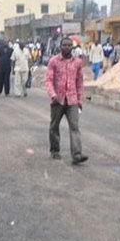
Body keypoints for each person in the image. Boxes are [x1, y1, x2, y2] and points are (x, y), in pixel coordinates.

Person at [45, 37, 89, 165]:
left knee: (74, 127)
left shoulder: (78, 63)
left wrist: (80, 100)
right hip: (57, 99)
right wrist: (52, 95)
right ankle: (54, 150)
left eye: (70, 45)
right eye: (65, 45)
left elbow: (79, 82)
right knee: (54, 126)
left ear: (72, 47)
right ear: (60, 46)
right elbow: (48, 80)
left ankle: (77, 154)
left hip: (72, 100)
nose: (67, 47)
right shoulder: (53, 61)